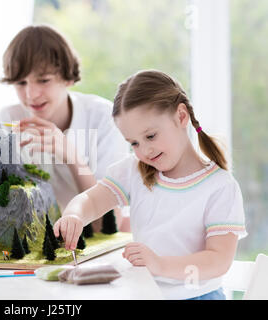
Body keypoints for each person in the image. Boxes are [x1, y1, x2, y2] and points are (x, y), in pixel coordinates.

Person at [53, 70, 247, 300]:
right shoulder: (133, 170)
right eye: (134, 143)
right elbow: (93, 199)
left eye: (151, 136)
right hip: (145, 292)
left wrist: (160, 265)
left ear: (181, 116)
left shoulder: (220, 187)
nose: (144, 151)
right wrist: (75, 215)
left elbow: (218, 260)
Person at [0, 24, 130, 232]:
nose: (31, 94)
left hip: (97, 245)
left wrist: (71, 156)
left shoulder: (104, 118)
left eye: (43, 80)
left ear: (67, 77)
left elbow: (109, 223)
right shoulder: (8, 119)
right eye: (21, 83)